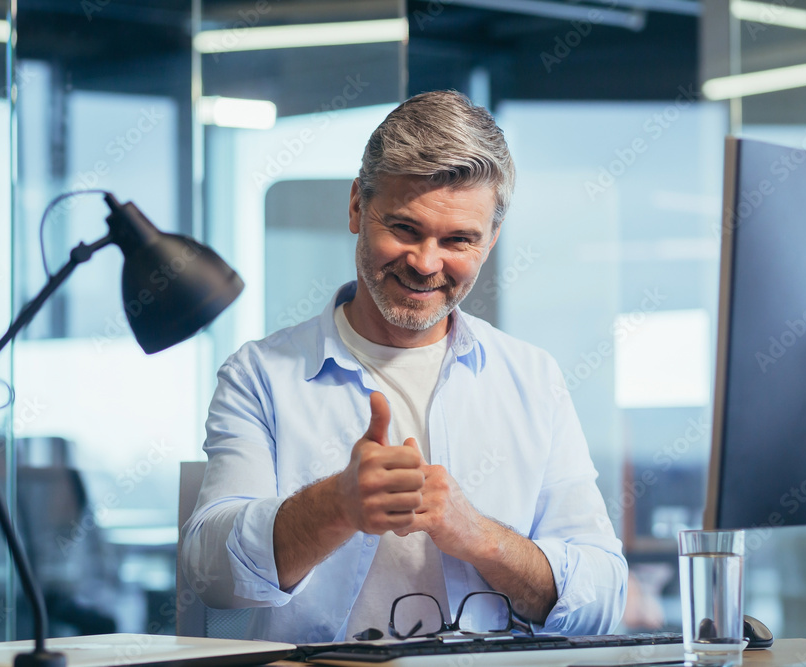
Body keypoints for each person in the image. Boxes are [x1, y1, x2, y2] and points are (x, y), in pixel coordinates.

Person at [180, 90, 626, 644]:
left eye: (458, 239)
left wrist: (479, 537)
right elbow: (210, 576)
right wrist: (337, 505)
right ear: (356, 208)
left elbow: (602, 598)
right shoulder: (260, 375)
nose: (425, 262)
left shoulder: (533, 379)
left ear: (490, 241)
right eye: (406, 229)